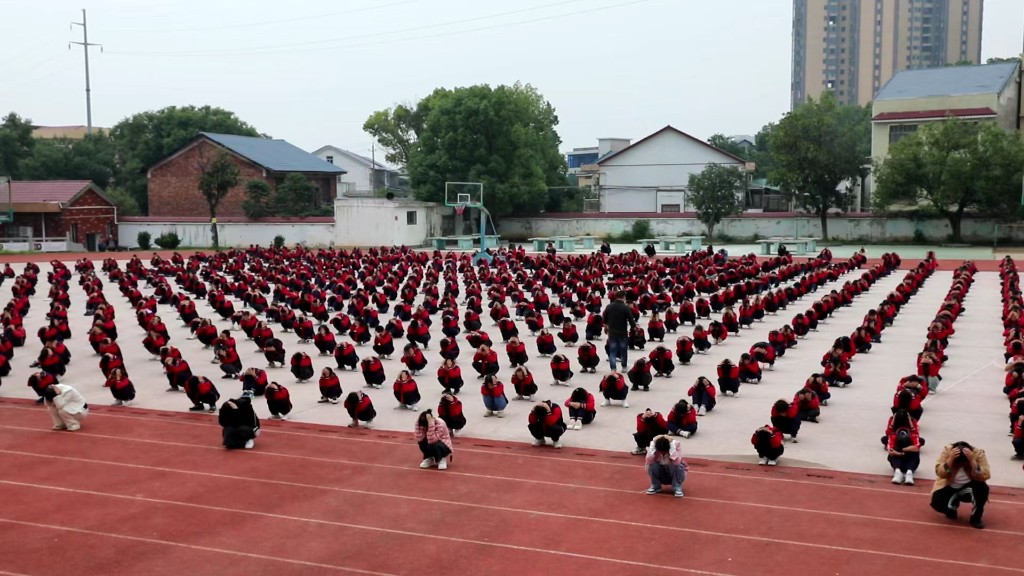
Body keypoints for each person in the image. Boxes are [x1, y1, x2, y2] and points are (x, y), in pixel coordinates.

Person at [930, 441, 990, 529]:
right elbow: (940, 473)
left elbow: (986, 475)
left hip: (969, 487)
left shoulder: (978, 453)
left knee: (983, 489)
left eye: (963, 463)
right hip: (949, 486)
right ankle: (952, 506)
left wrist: (972, 461)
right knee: (936, 502)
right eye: (958, 463)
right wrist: (950, 459)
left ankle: (975, 517)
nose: (961, 465)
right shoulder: (947, 451)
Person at [602, 291, 637, 371]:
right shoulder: (625, 307)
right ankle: (624, 366)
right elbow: (631, 319)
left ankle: (613, 368)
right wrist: (634, 327)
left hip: (612, 332)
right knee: (623, 350)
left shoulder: (609, 306)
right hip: (622, 332)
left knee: (613, 351)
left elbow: (605, 318)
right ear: (624, 297)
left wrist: (605, 327)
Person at [886, 412, 922, 486]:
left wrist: (901, 451)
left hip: (908, 457)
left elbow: (916, 448)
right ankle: (898, 471)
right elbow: (891, 451)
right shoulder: (913, 433)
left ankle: (909, 472)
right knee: (893, 451)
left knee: (914, 451)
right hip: (901, 457)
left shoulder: (912, 434)